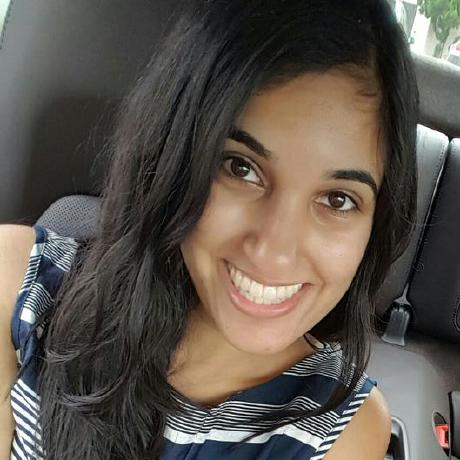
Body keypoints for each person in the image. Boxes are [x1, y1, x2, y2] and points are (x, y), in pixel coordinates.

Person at [0, 0, 419, 458]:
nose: (274, 251)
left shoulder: (343, 431)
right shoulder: (15, 287)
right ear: (176, 154)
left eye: (337, 200)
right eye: (241, 168)